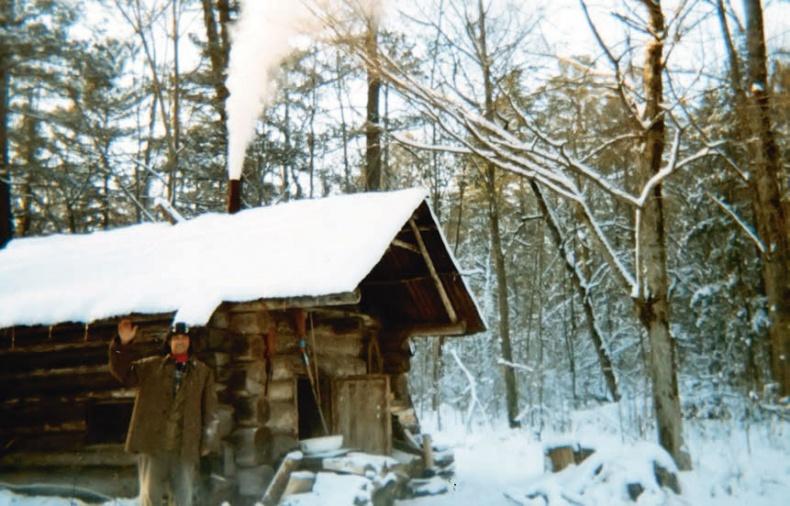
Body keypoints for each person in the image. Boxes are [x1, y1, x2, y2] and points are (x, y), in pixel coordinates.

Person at [109, 319, 218, 506]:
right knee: (150, 500)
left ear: (190, 342)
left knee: (184, 501)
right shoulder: (151, 367)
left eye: (184, 337)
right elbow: (123, 372)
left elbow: (210, 411)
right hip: (153, 448)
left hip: (184, 449)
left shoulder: (203, 373)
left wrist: (207, 442)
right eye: (176, 338)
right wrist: (122, 344)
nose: (180, 341)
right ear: (169, 342)